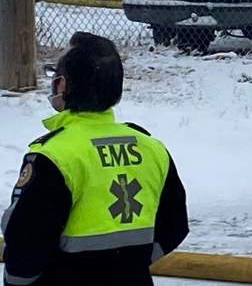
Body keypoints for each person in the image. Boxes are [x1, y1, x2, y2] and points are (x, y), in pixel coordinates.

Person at [2, 32, 189, 286]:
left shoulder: (55, 155)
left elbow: (25, 244)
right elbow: (175, 225)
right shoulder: (152, 149)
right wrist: (131, 265)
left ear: (61, 85)